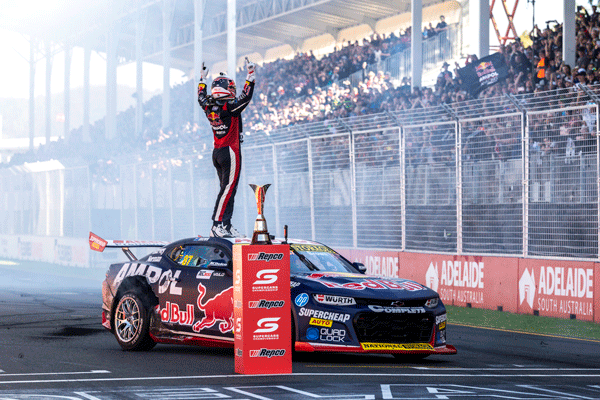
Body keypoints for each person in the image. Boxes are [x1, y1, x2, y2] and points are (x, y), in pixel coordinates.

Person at [198, 58, 256, 238]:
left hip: (217, 152)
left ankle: (226, 225)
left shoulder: (208, 105)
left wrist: (202, 80)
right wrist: (250, 76)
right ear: (224, 89)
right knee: (228, 189)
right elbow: (246, 97)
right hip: (230, 152)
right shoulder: (229, 107)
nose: (233, 91)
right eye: (230, 87)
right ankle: (217, 224)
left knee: (228, 189)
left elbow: (200, 96)